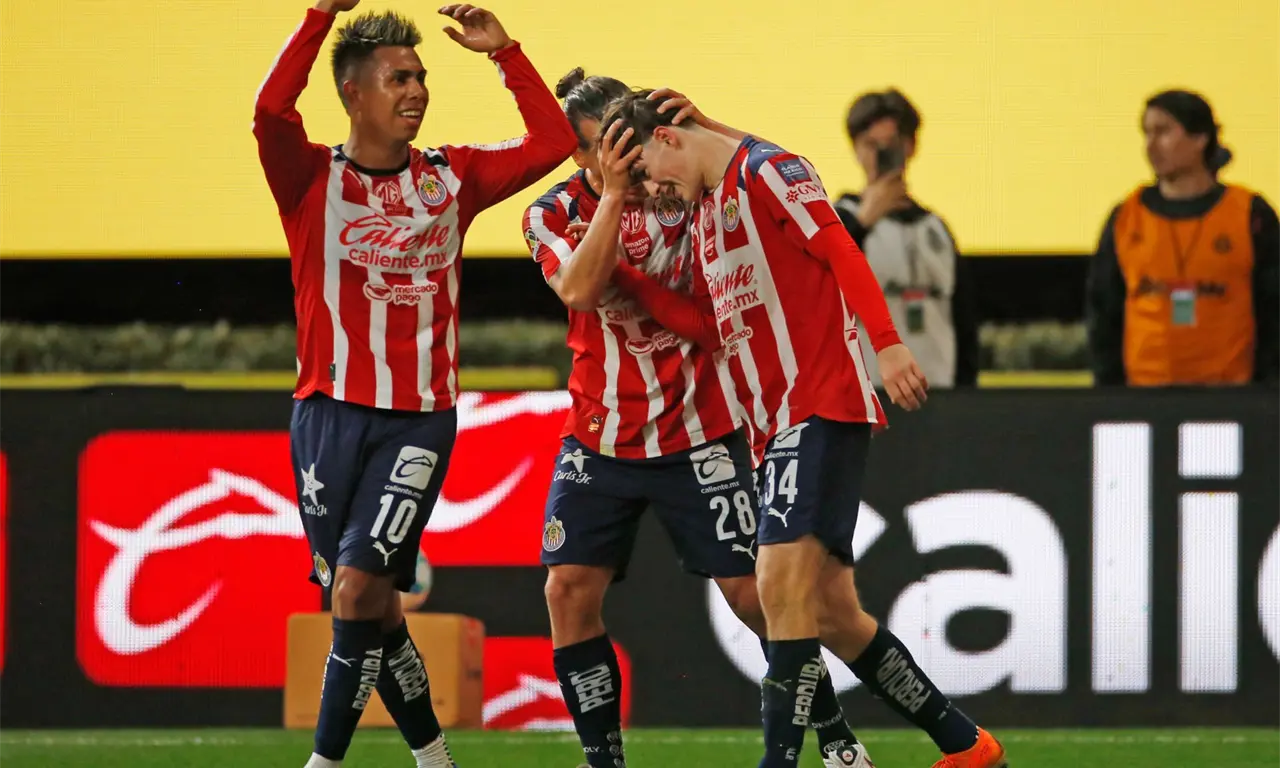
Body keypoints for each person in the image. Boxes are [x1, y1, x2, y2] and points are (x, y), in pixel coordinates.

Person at [600, 90, 1006, 768]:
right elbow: (710, 325)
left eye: (647, 172)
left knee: (777, 584)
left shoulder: (768, 170)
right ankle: (967, 745)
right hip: (774, 426)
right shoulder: (708, 208)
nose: (652, 191)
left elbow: (841, 247)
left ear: (668, 138)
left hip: (816, 405)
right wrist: (632, 285)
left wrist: (887, 344)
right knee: (834, 614)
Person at [252, 2, 575, 766]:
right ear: (354, 93)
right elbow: (270, 111)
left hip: (416, 421)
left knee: (355, 592)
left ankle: (324, 761)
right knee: (373, 606)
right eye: (399, 78)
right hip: (325, 416)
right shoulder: (310, 179)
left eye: (422, 77)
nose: (418, 90)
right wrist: (319, 17)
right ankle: (433, 758)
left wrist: (506, 54)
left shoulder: (451, 177)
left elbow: (554, 142)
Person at [523, 73, 872, 768]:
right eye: (602, 148)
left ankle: (834, 735)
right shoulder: (552, 213)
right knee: (567, 590)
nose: (623, 160)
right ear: (578, 154)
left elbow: (772, 177)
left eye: (629, 143)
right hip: (599, 434)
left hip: (699, 430)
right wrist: (612, 197)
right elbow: (580, 289)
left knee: (757, 596)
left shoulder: (678, 189)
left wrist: (710, 125)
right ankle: (604, 761)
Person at [1087, 89, 1280, 387]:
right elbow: (1104, 313)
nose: (1151, 145)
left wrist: (1267, 388)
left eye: (1163, 132)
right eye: (1146, 133)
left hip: (1230, 395)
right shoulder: (1127, 217)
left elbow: (1273, 308)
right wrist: (1110, 391)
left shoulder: (1248, 214)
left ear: (1200, 138)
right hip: (1144, 393)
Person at [834, 88, 979, 389]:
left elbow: (963, 319)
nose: (881, 155)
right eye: (871, 144)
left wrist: (966, 393)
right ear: (856, 149)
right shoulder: (838, 222)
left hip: (937, 390)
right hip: (869, 391)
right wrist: (861, 223)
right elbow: (818, 294)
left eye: (892, 144)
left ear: (910, 146)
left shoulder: (935, 228)